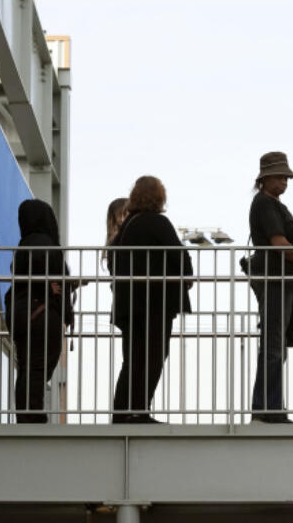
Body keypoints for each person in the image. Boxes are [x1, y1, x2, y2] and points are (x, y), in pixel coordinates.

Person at [110, 176, 193, 424]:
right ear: (159, 197)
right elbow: (180, 258)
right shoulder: (158, 223)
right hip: (155, 303)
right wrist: (185, 276)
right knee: (154, 356)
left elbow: (114, 261)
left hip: (129, 305)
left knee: (132, 359)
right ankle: (139, 410)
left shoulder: (127, 227)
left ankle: (123, 412)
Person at [247, 152, 293, 424]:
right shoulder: (264, 203)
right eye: (279, 176)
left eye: (286, 177)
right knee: (273, 345)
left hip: (282, 279)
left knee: (277, 344)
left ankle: (269, 405)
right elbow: (278, 242)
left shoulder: (273, 203)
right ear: (265, 178)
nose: (284, 181)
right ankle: (268, 408)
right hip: (274, 279)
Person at [3, 199, 73, 423]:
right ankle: (32, 415)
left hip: (25, 314)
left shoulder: (25, 245)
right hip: (41, 315)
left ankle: (28, 413)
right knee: (37, 368)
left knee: (26, 367)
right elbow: (54, 280)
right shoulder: (44, 244)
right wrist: (64, 309)